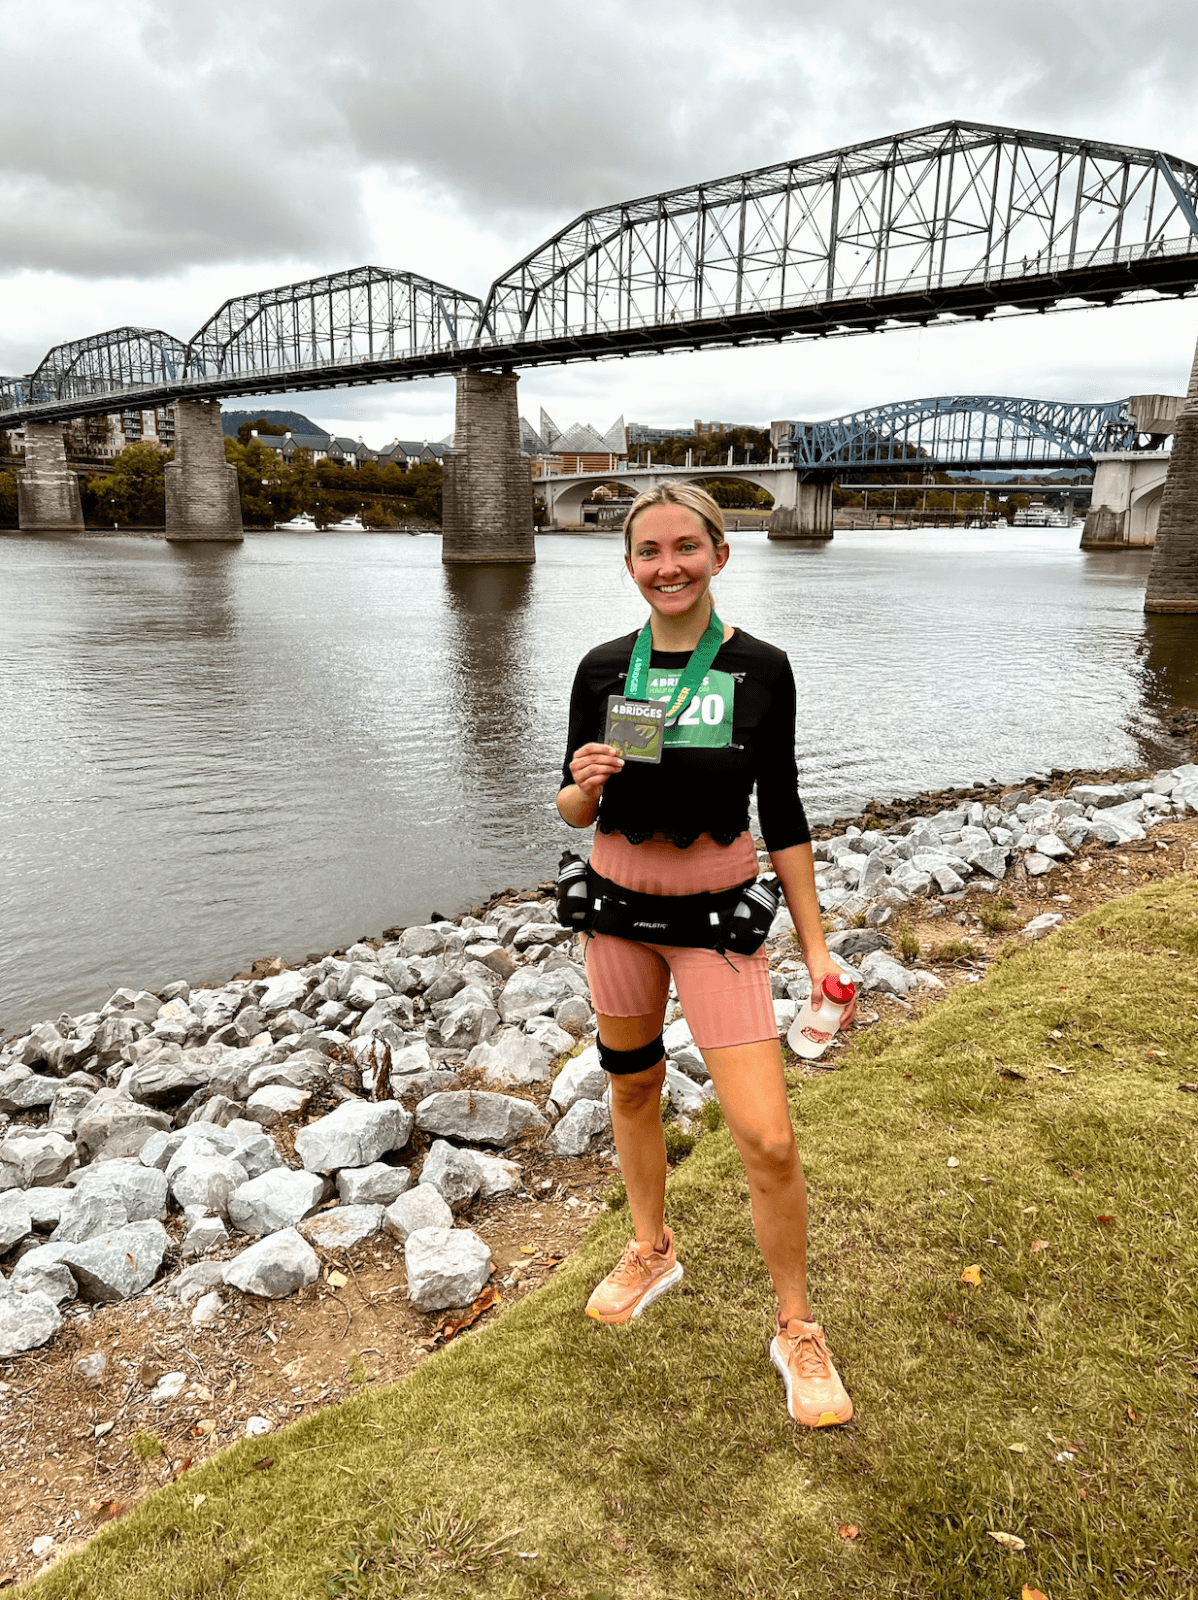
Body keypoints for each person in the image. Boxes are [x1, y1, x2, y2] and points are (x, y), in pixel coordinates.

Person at [556, 482, 855, 1428]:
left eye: (687, 547)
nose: (668, 566)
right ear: (631, 565)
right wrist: (580, 782)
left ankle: (796, 1327)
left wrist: (815, 949)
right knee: (633, 1086)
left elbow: (787, 815)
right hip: (614, 910)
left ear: (719, 555)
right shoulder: (605, 669)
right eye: (649, 551)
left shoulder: (762, 669)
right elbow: (573, 808)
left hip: (717, 916)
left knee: (766, 1135)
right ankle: (652, 1248)